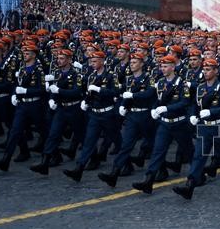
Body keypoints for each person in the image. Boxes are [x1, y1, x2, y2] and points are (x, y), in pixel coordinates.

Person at [173, 58, 220, 200]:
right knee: (199, 156)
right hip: (204, 127)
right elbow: (194, 105)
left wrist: (212, 112)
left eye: (209, 69)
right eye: (204, 69)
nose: (205, 72)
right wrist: (193, 115)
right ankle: (189, 186)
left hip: (219, 127)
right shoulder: (200, 87)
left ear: (216, 71)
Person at [131, 55, 194, 194]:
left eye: (166, 66)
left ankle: (196, 177)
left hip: (179, 123)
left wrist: (167, 108)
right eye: (161, 66)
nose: (163, 69)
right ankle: (148, 180)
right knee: (157, 152)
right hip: (165, 124)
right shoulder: (160, 83)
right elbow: (158, 100)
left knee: (189, 152)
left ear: (173, 67)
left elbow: (185, 102)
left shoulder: (182, 83)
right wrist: (154, 108)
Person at [97, 52, 156, 187]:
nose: (132, 64)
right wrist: (123, 104)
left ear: (142, 64)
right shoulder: (129, 79)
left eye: (135, 62)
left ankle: (160, 169)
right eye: (131, 62)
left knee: (153, 145)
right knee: (126, 145)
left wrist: (133, 95)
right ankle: (114, 173)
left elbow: (149, 93)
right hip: (132, 116)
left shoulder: (148, 78)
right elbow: (122, 93)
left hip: (146, 115)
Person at [62, 51, 121, 181]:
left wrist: (100, 90)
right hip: (95, 113)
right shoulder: (92, 76)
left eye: (95, 61)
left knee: (118, 141)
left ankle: (125, 164)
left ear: (102, 61)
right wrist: (86, 101)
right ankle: (79, 169)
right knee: (88, 142)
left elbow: (116, 92)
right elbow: (89, 93)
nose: (92, 64)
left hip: (108, 113)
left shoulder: (111, 75)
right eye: (91, 61)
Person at [0, 45, 45, 171]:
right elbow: (16, 83)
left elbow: (41, 90)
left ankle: (52, 156)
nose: (24, 55)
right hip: (22, 105)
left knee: (44, 131)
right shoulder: (21, 66)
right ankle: (6, 160)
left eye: (27, 53)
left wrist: (25, 91)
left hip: (35, 105)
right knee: (15, 131)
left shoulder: (38, 69)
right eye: (24, 53)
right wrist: (15, 94)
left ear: (33, 55)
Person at [30, 48, 84, 175]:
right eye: (58, 58)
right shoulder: (56, 73)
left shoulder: (77, 74)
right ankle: (45, 162)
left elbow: (77, 92)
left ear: (70, 60)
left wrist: (58, 92)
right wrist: (53, 99)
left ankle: (92, 158)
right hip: (61, 108)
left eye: (62, 58)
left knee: (81, 135)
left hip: (74, 108)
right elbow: (54, 89)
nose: (58, 61)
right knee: (53, 134)